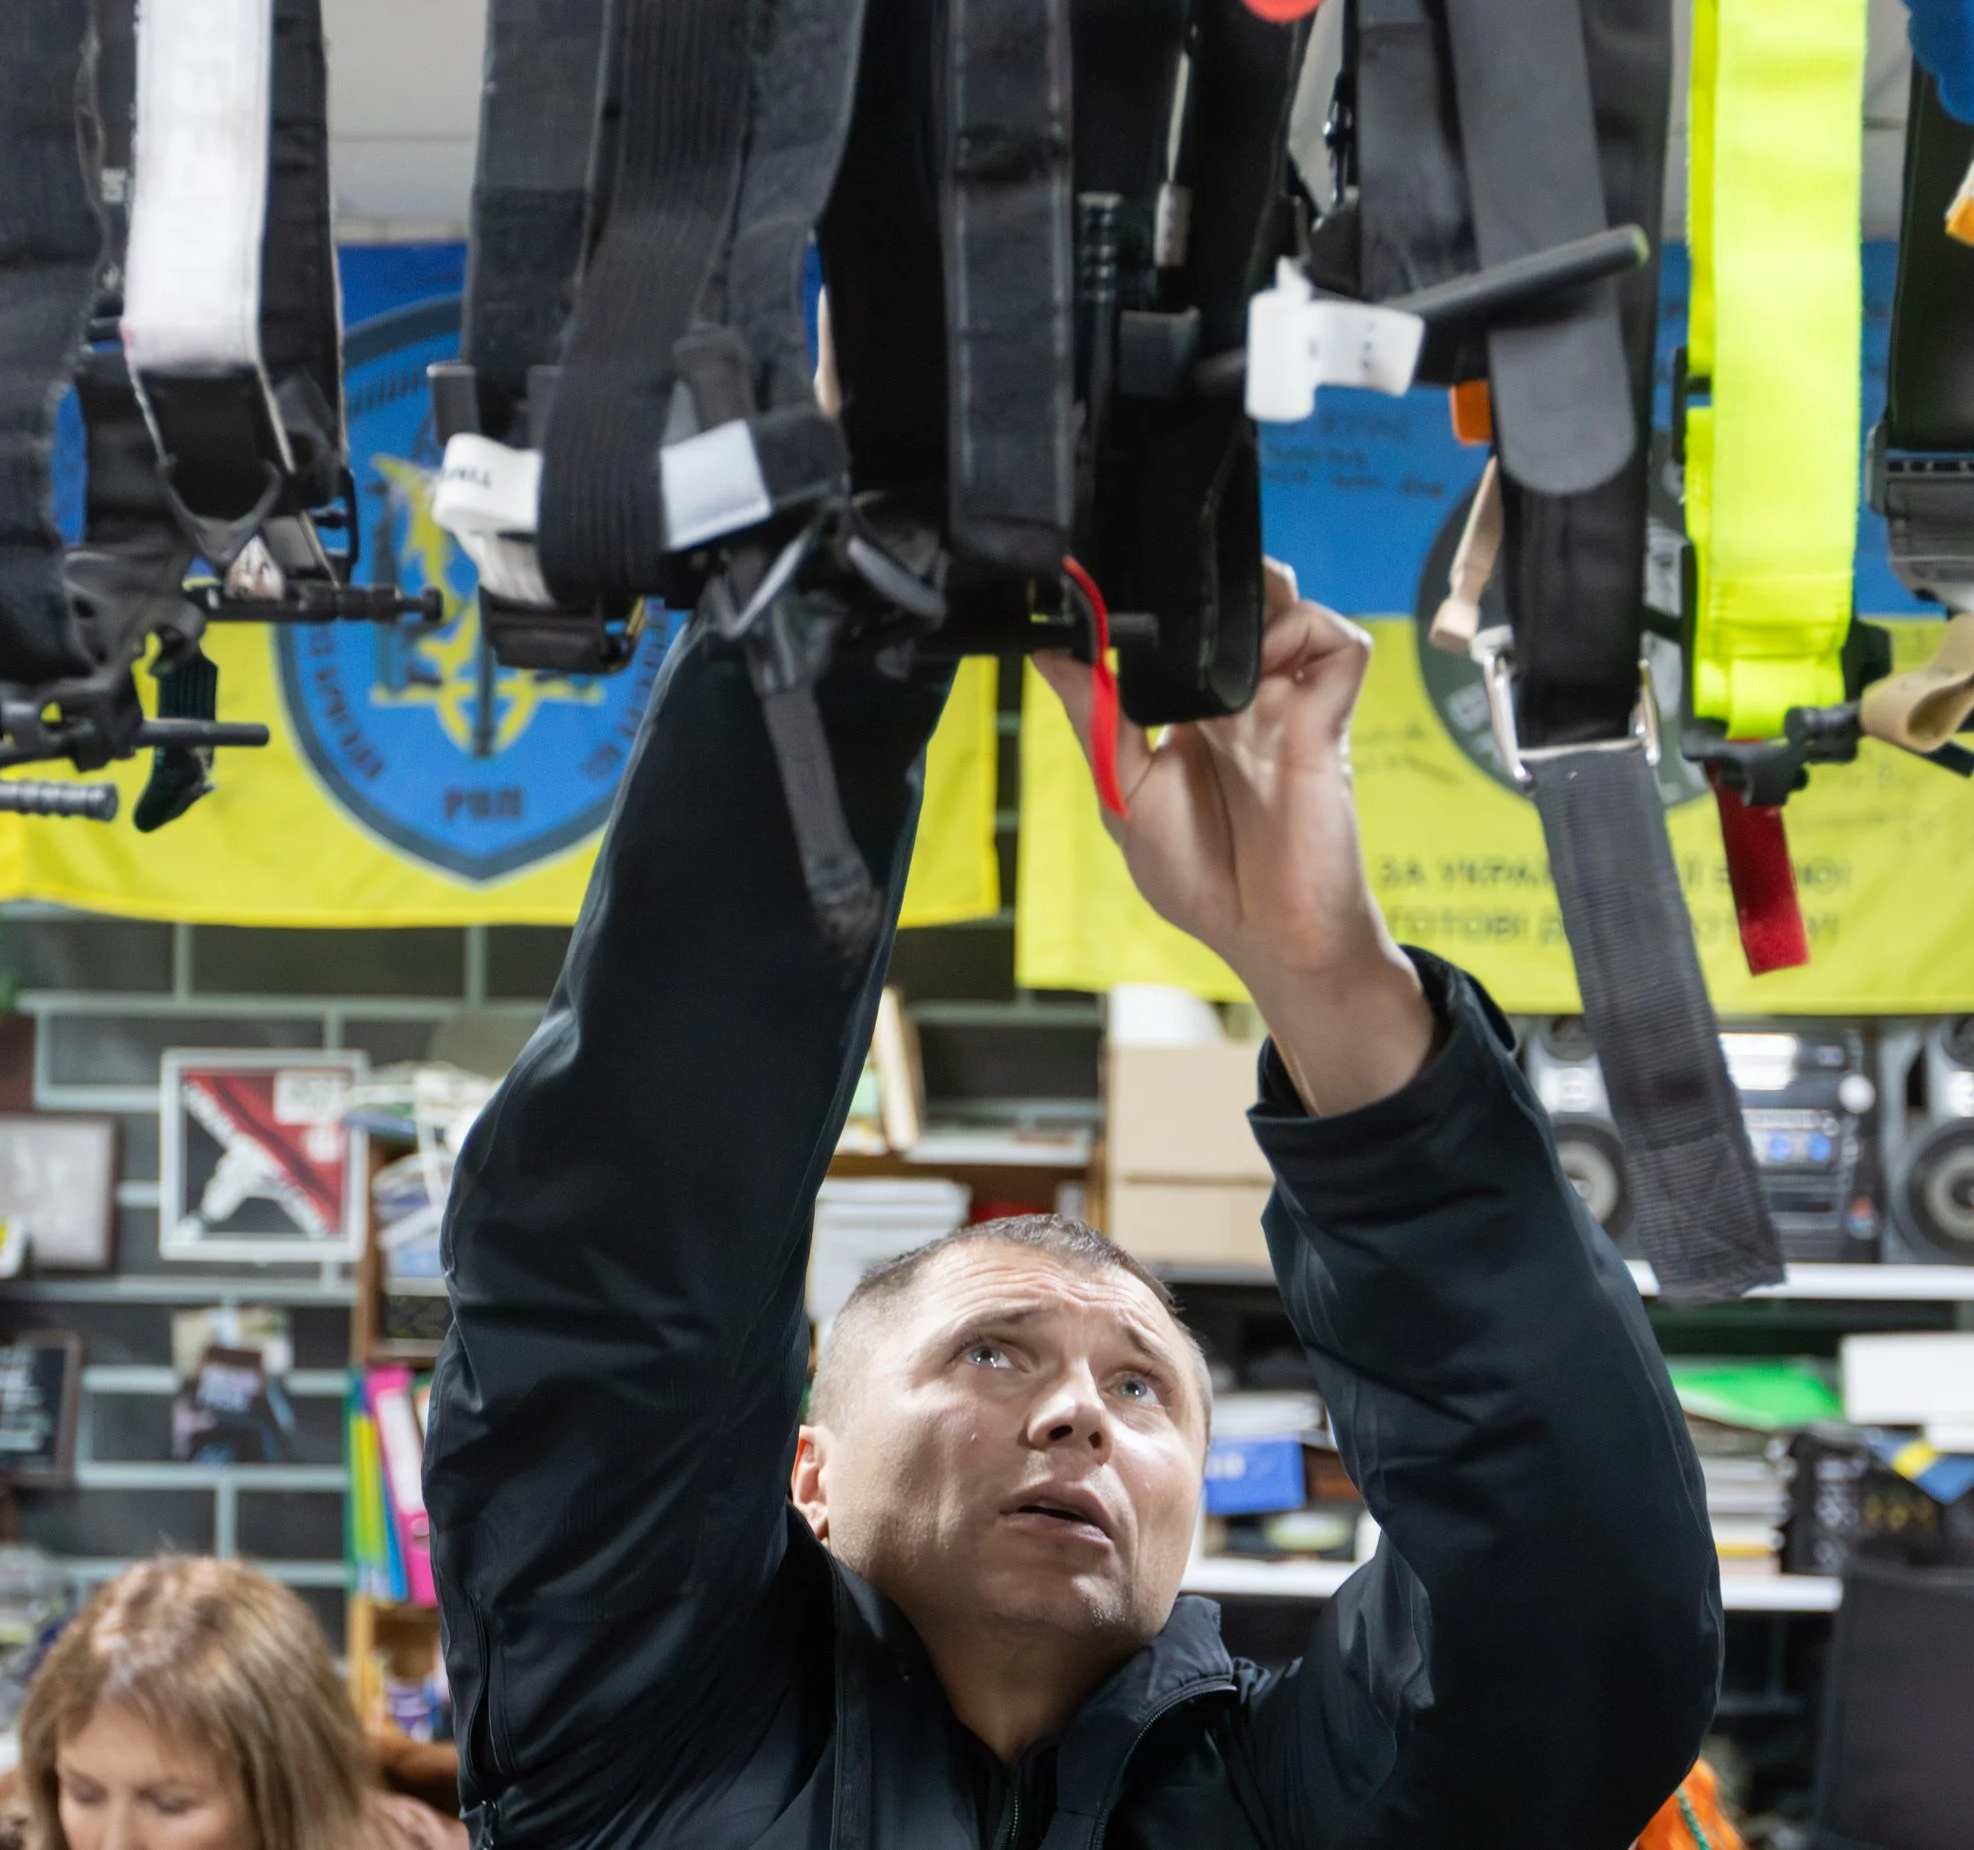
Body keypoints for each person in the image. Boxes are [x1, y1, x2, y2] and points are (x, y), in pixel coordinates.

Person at [424, 565, 1721, 1848]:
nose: (1077, 1415)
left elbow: (1575, 1613)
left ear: (1192, 1510)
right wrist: (834, 610)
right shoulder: (633, 1742)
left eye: (1144, 1388)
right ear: (807, 1472)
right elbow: (622, 1273)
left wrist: (1324, 973)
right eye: (993, 1350)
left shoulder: (1301, 1810)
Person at [0, 1557, 466, 1850]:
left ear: (282, 1791)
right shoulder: (1, 1835)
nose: (116, 1845)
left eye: (170, 1805)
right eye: (85, 1794)